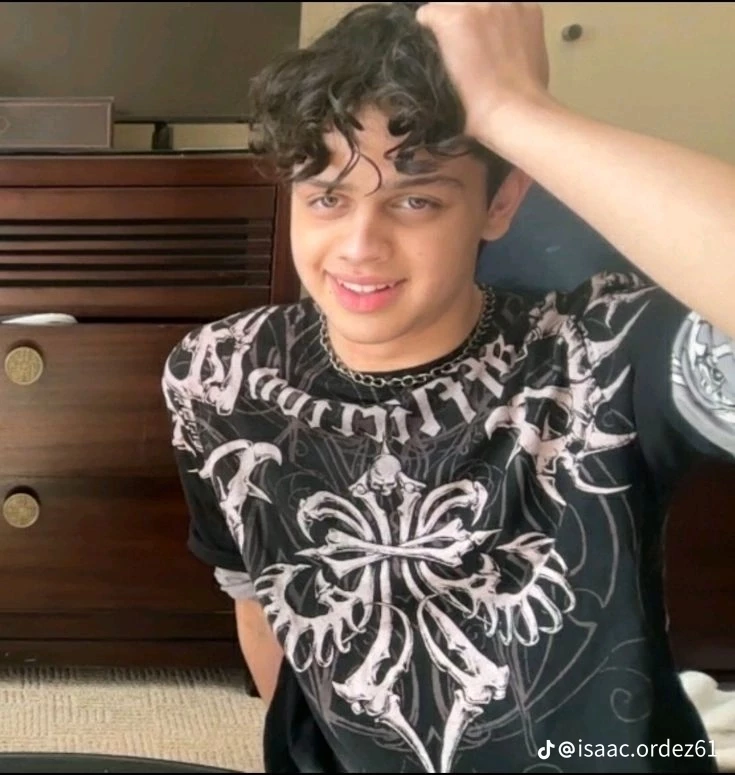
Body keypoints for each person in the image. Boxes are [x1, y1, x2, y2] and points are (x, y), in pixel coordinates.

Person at [161, 3, 735, 772]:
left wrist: (515, 111)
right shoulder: (219, 374)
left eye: (415, 199)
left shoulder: (600, 352)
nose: (359, 247)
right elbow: (261, 604)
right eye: (326, 197)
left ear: (499, 202)